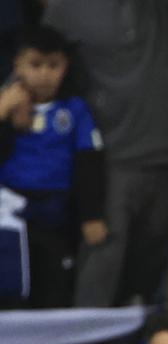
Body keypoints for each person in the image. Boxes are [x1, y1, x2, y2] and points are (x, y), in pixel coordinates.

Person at [44, 0, 168, 307]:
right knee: (102, 260)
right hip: (109, 157)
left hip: (166, 150)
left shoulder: (156, 9)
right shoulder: (65, 10)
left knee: (156, 258)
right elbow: (38, 59)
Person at [0, 25, 104, 308]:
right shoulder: (4, 104)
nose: (44, 74)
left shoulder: (75, 110)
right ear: (17, 64)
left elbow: (89, 163)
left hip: (56, 214)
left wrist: (91, 215)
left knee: (54, 289)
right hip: (9, 215)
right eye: (35, 64)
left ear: (66, 66)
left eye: (53, 65)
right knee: (11, 290)